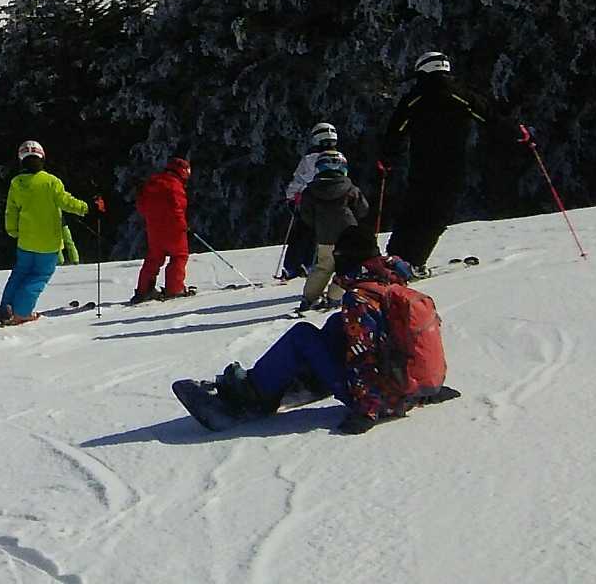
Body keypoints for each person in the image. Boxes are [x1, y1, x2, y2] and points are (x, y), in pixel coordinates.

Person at [181, 226, 456, 434]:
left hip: (380, 399)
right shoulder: (389, 284)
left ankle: (253, 393)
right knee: (337, 325)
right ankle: (305, 376)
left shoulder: (360, 298)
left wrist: (367, 411)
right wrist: (428, 391)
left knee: (302, 334)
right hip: (408, 390)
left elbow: (364, 355)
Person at [381, 51, 527, 273]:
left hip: (421, 166)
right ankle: (413, 261)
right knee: (438, 214)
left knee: (413, 209)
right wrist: (517, 133)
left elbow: (396, 131)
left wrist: (387, 158)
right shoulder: (460, 95)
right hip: (452, 167)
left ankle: (396, 257)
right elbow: (490, 117)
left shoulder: (414, 98)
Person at [0, 140, 93, 326]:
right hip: (48, 243)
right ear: (42, 158)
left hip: (25, 241)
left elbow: (11, 210)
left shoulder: (16, 183)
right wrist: (86, 208)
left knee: (19, 274)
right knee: (38, 276)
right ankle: (22, 312)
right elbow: (66, 202)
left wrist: (13, 230)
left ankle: (5, 309)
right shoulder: (51, 182)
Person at [295, 151, 370, 313]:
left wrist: (317, 225)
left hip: (325, 235)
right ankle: (334, 297)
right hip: (348, 234)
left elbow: (306, 214)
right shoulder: (350, 188)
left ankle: (309, 298)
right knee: (346, 266)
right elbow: (362, 209)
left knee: (323, 267)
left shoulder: (311, 191)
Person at [280, 122, 339, 279]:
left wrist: (291, 197)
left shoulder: (310, 159)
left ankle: (293, 267)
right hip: (331, 204)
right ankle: (308, 264)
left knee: (301, 233)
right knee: (317, 235)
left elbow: (300, 179)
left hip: (308, 202)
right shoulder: (340, 158)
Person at [133, 157, 192, 301]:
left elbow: (141, 205)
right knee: (179, 256)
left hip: (154, 228)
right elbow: (177, 208)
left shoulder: (153, 182)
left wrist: (152, 218)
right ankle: (175, 288)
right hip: (174, 228)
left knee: (154, 257)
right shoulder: (175, 185)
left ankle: (144, 290)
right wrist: (183, 225)